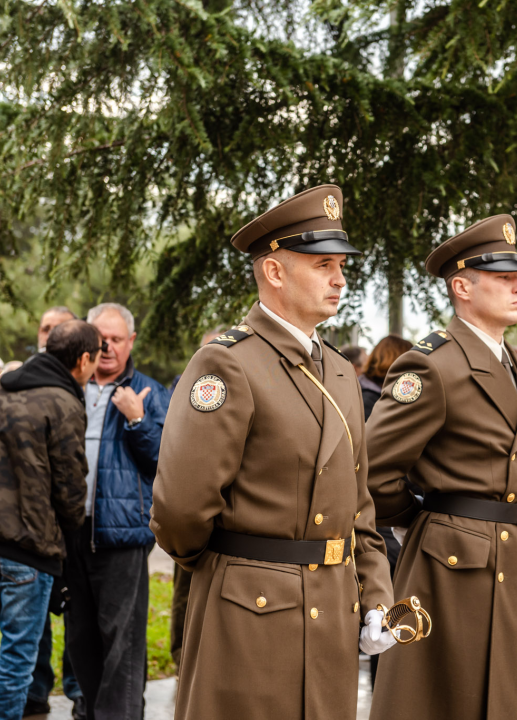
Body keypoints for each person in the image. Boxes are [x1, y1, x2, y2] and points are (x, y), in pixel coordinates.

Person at [151, 185, 395, 719]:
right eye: (322, 264)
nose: (339, 278)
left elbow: (360, 509)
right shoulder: (228, 364)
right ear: (275, 272)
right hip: (251, 613)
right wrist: (230, 570)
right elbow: (179, 511)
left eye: (342, 265)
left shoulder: (338, 371)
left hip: (331, 612)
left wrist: (375, 596)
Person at [366, 215, 517, 720]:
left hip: (511, 560)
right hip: (453, 564)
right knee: (444, 701)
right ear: (462, 286)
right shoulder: (432, 364)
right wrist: (428, 520)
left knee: (500, 699)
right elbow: (374, 472)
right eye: (505, 277)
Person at [0, 321, 101, 720]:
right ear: (83, 360)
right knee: (17, 656)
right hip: (27, 551)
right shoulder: (64, 403)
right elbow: (70, 488)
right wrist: (70, 535)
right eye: (96, 358)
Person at [62, 302, 169, 720]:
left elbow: (165, 461)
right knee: (81, 641)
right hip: (72, 534)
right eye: (100, 339)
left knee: (122, 646)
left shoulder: (150, 391)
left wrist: (138, 418)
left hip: (122, 538)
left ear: (131, 342)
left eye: (116, 339)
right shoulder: (69, 387)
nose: (107, 348)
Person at [26, 309, 85, 719]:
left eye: (56, 329)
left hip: (74, 521)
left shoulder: (82, 383)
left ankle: (79, 685)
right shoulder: (26, 381)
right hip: (35, 527)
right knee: (34, 620)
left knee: (77, 611)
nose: (48, 336)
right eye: (44, 329)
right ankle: (36, 690)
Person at [168, 324, 230, 673]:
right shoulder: (187, 388)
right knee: (185, 594)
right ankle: (183, 661)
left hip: (234, 530)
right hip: (196, 526)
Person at [355, 333, 412, 686]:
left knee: (385, 617)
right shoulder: (374, 400)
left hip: (373, 520)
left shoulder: (362, 394)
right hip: (378, 523)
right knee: (386, 621)